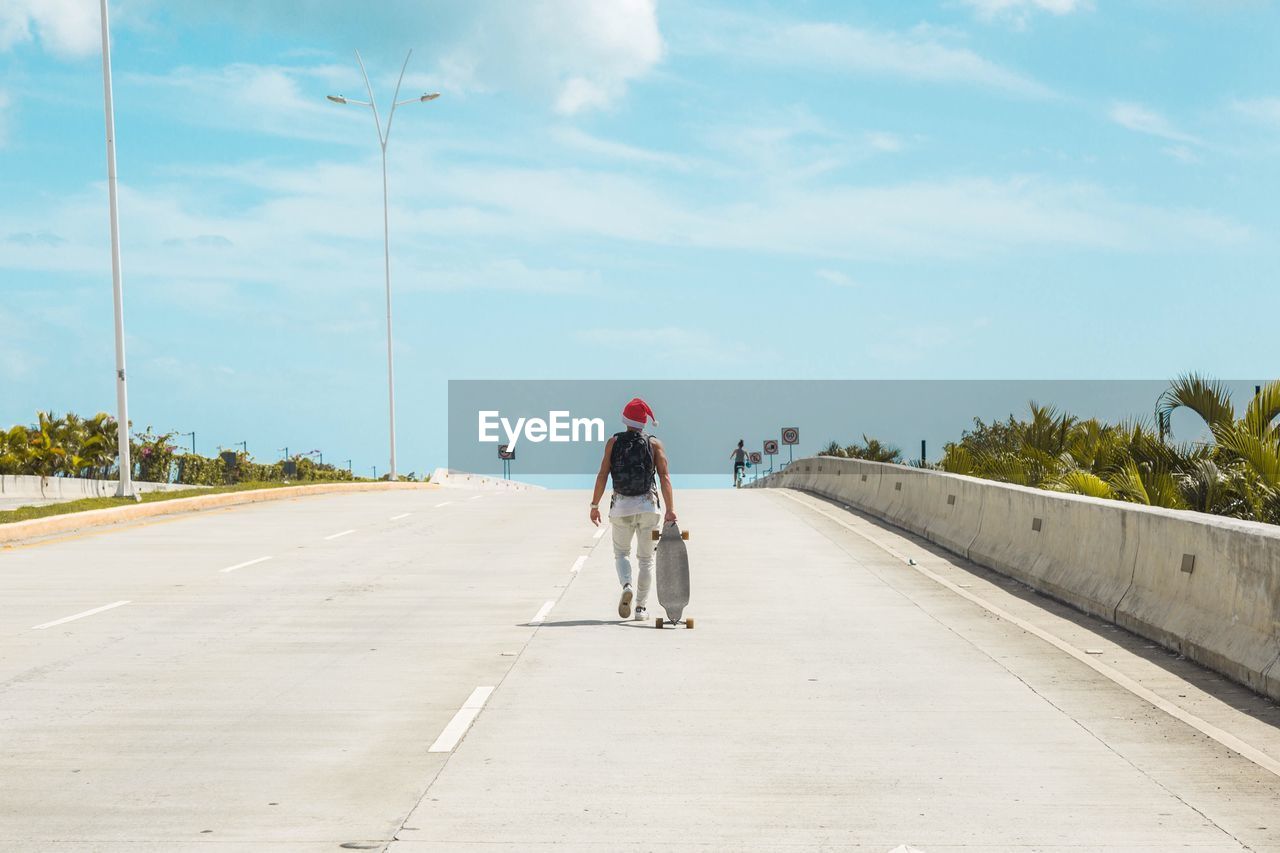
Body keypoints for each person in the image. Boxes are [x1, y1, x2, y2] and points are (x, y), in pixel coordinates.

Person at [589, 397, 676, 621]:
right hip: (648, 506)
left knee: (621, 553)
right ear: (644, 422)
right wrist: (670, 509)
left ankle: (626, 584)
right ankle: (640, 608)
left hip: (621, 506)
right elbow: (664, 477)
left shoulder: (613, 442)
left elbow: (602, 475)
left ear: (625, 420)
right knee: (646, 559)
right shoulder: (655, 444)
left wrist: (595, 505)